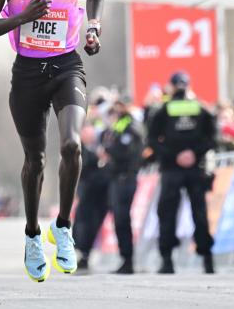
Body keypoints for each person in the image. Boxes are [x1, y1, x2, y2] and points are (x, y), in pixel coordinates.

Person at [0, 0, 103, 281]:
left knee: (72, 145)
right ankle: (33, 233)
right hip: (28, 72)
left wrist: (94, 27)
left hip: (67, 65)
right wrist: (22, 17)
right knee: (35, 161)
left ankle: (63, 226)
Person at [148, 72, 216, 274]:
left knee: (167, 214)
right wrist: (194, 154)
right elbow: (213, 137)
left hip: (171, 169)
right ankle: (207, 260)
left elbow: (151, 140)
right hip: (196, 169)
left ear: (171, 86)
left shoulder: (162, 109)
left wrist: (174, 156)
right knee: (200, 214)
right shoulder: (202, 108)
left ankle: (167, 260)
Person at [98, 98, 144, 274]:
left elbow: (128, 152)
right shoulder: (118, 127)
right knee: (119, 221)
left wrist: (108, 151)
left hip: (126, 178)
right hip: (116, 179)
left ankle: (128, 260)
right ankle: (125, 259)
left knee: (123, 219)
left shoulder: (131, 127)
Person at [72, 123, 108, 271]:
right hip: (87, 193)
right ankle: (80, 250)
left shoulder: (100, 147)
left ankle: (86, 253)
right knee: (83, 223)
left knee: (94, 224)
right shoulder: (78, 149)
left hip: (101, 195)